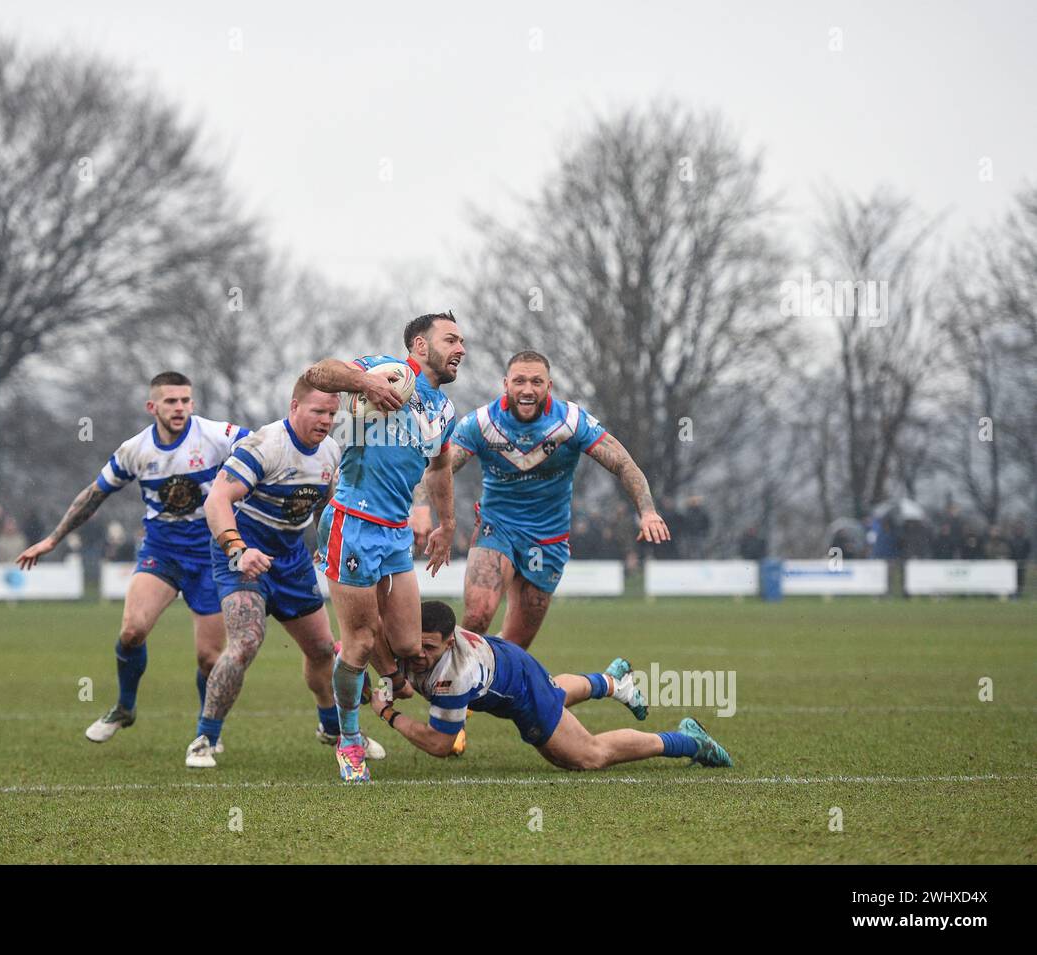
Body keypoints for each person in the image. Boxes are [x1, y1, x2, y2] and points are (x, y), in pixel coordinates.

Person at [16, 371, 248, 746]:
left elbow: (262, 451)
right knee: (131, 631)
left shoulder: (217, 435)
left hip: (211, 555)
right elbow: (94, 495)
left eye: (186, 400)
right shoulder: (136, 450)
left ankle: (208, 732)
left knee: (209, 659)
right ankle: (125, 707)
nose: (180, 408)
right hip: (162, 551)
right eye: (171, 401)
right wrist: (53, 539)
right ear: (151, 406)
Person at [301, 311, 465, 782]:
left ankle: (386, 676)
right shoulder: (386, 371)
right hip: (351, 522)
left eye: (462, 343)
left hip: (395, 533)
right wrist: (364, 385)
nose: (460, 349)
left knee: (409, 643)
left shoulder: (444, 411)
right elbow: (317, 374)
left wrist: (446, 523)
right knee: (359, 644)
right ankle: (349, 740)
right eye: (451, 339)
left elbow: (438, 468)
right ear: (419, 345)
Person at [186, 380, 385, 767]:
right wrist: (239, 550)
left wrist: (326, 544)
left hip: (290, 560)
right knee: (246, 642)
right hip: (242, 556)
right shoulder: (265, 446)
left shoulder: (330, 451)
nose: (326, 420)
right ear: (294, 406)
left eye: (332, 413)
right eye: (318, 411)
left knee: (323, 650)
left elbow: (326, 506)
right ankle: (204, 739)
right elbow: (217, 500)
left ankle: (331, 726)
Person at [425, 350, 668, 650]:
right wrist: (421, 509)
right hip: (496, 529)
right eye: (520, 381)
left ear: (549, 386)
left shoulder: (572, 422)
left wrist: (647, 512)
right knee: (477, 615)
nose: (528, 389)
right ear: (506, 384)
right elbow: (438, 470)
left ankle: (486, 682)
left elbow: (622, 463)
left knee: (514, 647)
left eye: (536, 382)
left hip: (548, 540)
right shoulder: (482, 422)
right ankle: (453, 694)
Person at [369, 601, 731, 772]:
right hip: (512, 664)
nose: (417, 654)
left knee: (586, 757)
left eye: (428, 648)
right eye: (414, 645)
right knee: (555, 693)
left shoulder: (453, 676)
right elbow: (369, 644)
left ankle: (690, 741)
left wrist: (387, 712)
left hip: (520, 693)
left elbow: (440, 744)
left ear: (450, 643)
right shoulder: (405, 638)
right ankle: (612, 682)